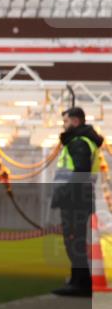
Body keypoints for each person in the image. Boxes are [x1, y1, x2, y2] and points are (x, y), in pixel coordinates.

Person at [51, 106, 104, 297]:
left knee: (74, 241)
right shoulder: (84, 141)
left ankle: (81, 284)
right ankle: (78, 280)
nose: (63, 125)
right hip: (80, 198)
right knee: (77, 241)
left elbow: (80, 171)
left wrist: (64, 193)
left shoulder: (78, 142)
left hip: (74, 200)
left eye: (65, 121)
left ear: (75, 121)